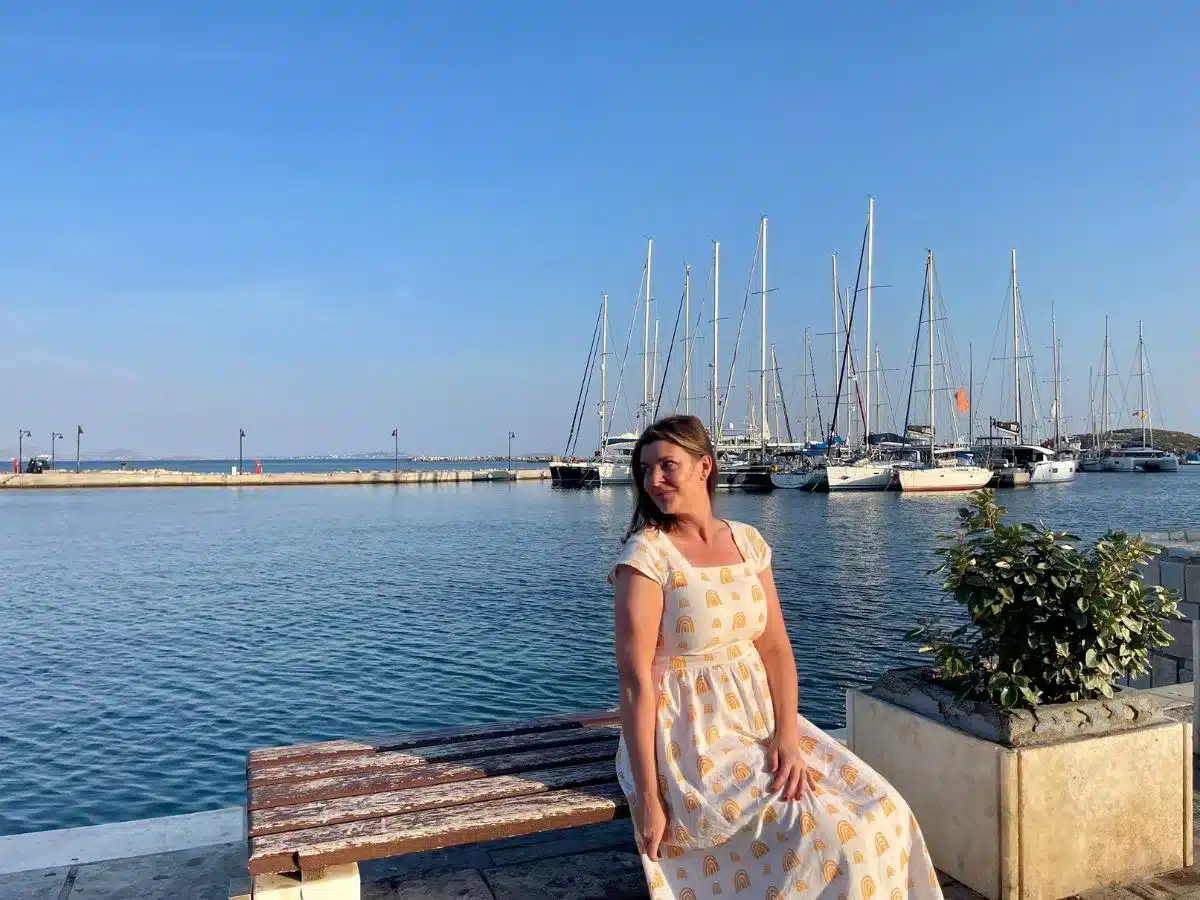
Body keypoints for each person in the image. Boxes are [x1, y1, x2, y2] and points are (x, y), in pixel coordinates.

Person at [610, 415, 943, 900]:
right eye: (645, 469)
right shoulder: (646, 558)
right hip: (689, 735)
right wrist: (649, 797)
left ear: (705, 467)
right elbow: (636, 682)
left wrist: (787, 735)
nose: (653, 480)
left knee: (883, 810)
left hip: (764, 721)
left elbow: (776, 648)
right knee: (829, 835)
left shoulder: (748, 542)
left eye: (667, 465)